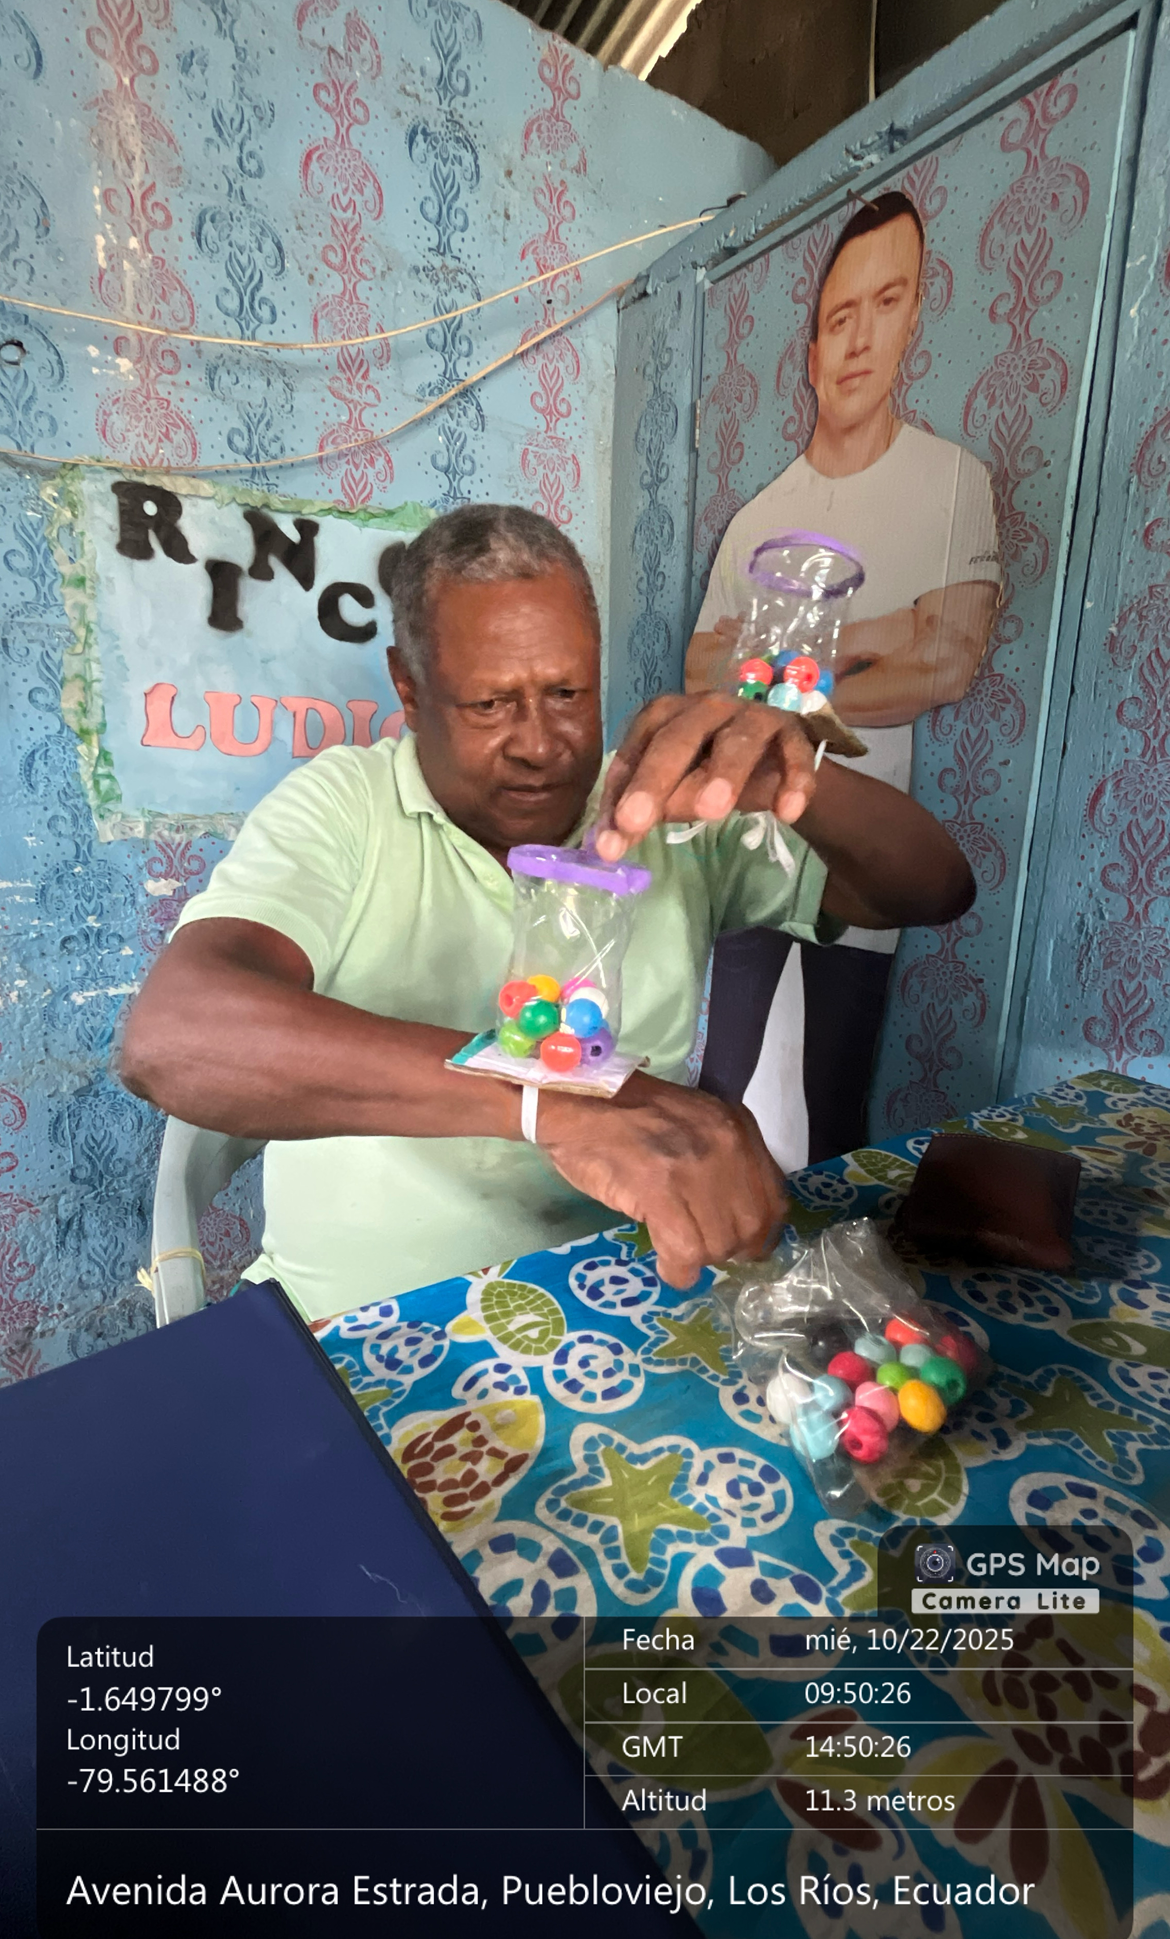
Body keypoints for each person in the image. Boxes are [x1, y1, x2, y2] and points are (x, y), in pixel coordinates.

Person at [120, 504, 976, 1325]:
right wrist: (553, 1105)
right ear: (409, 689)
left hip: (617, 1302)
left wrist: (802, 784)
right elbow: (175, 1038)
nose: (539, 744)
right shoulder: (345, 809)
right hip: (370, 1327)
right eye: (490, 705)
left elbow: (933, 891)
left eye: (567, 693)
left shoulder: (666, 805)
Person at [687, 190, 1000, 1161]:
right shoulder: (759, 516)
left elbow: (947, 659)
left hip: (863, 853)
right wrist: (879, 632)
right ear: (812, 348)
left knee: (835, 1091)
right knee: (722, 1080)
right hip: (746, 841)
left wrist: (774, 667)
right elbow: (703, 670)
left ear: (914, 316)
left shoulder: (950, 484)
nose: (860, 339)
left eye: (887, 303)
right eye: (839, 317)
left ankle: (832, 1257)